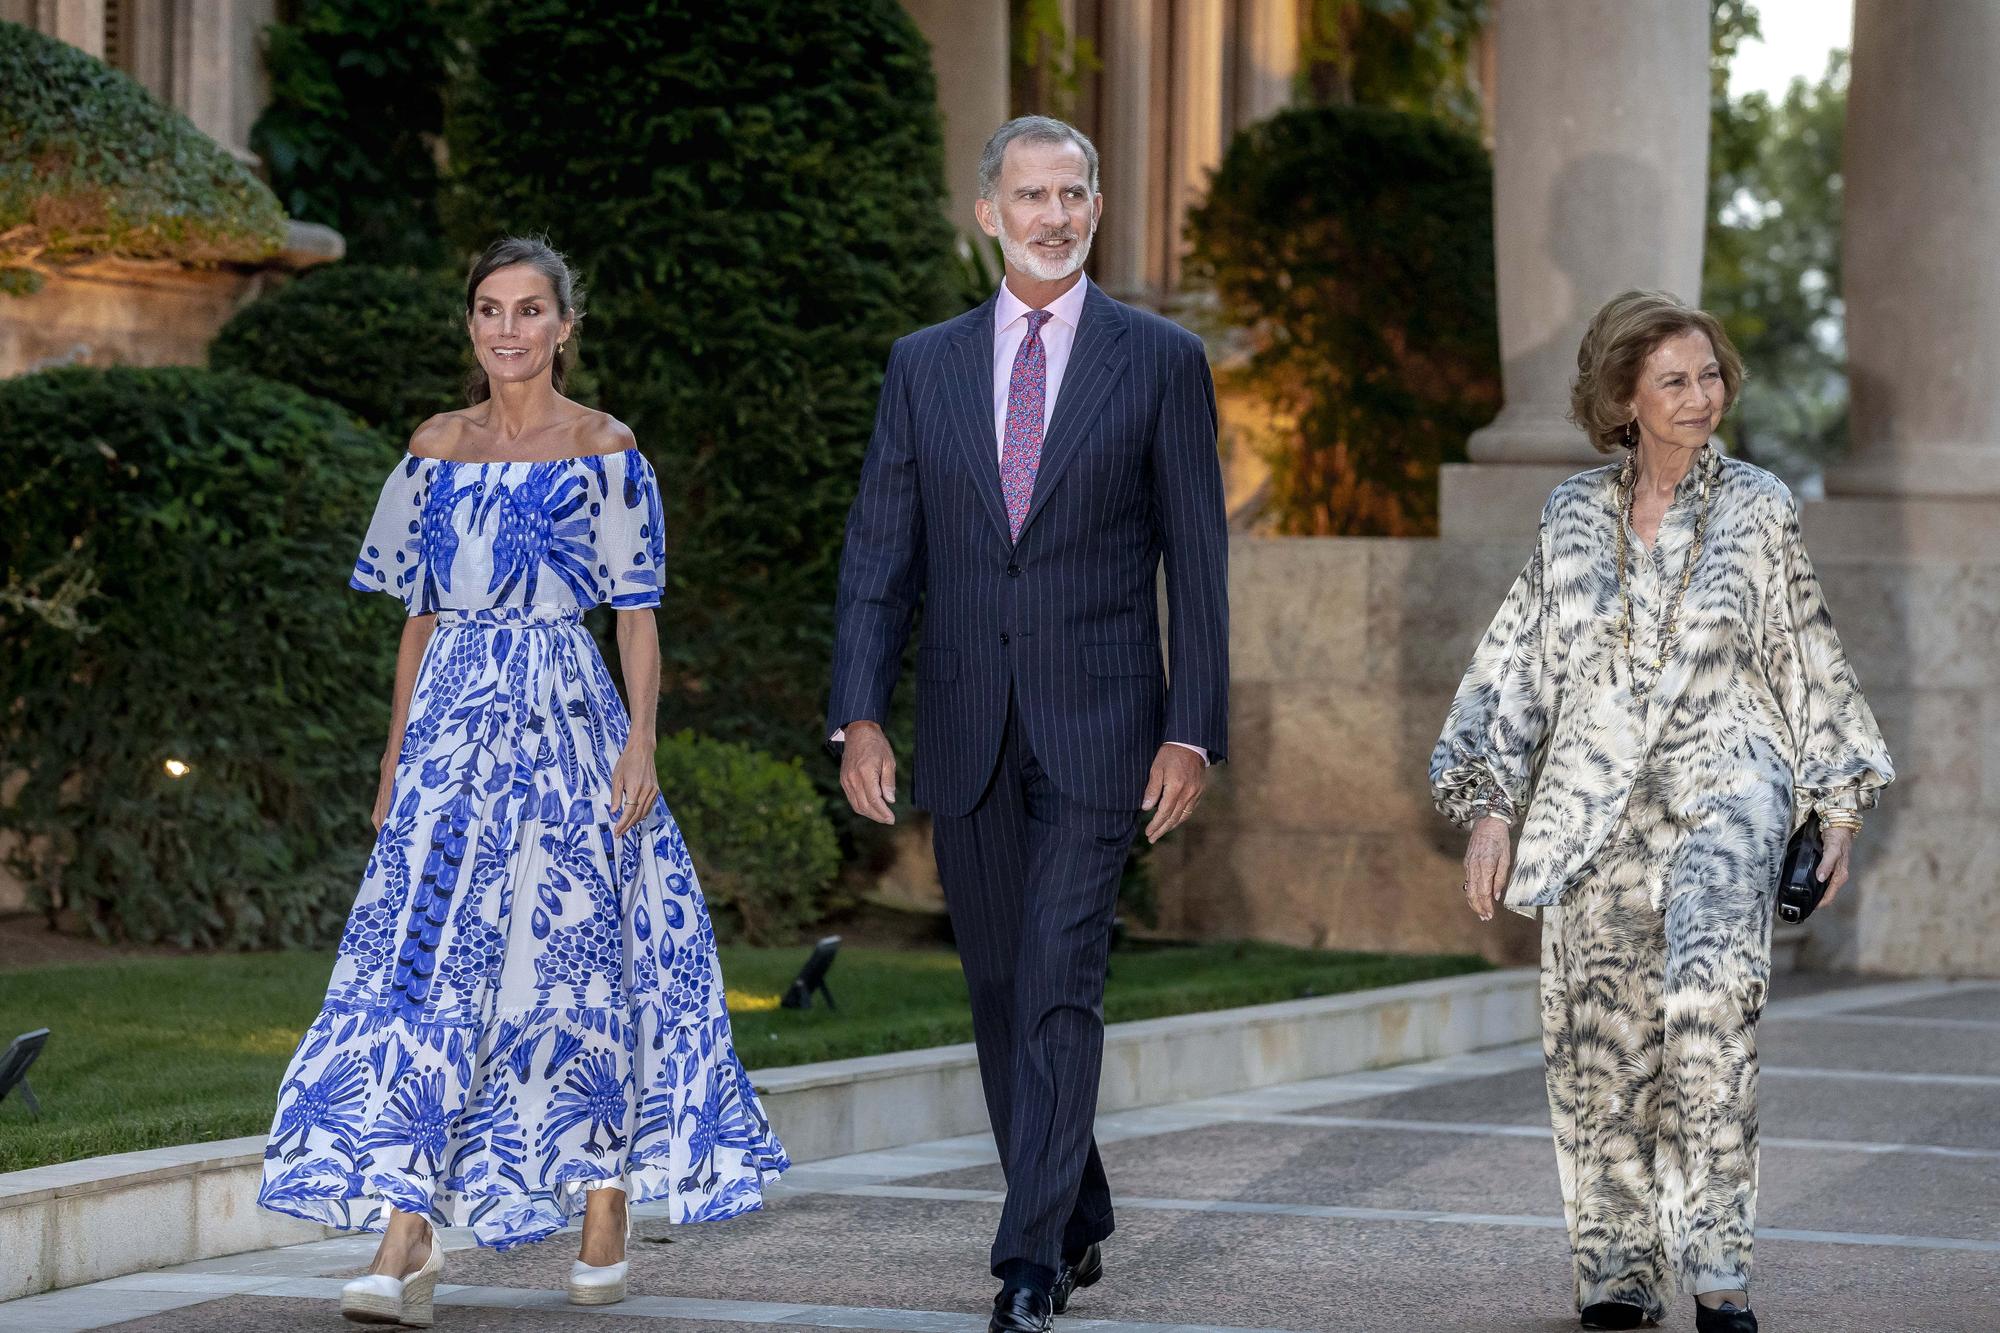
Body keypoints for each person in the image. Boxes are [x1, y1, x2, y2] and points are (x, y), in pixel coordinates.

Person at [258, 236, 787, 1326]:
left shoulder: (606, 447)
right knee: (423, 974)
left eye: (530, 310)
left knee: (578, 962)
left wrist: (640, 742)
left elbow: (635, 617)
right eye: (490, 310)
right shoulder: (433, 448)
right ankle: (404, 1237)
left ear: (563, 326)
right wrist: (397, 756)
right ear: (471, 325)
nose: (508, 329)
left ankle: (603, 1206)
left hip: (567, 723)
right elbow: (415, 620)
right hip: (453, 733)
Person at [827, 115, 1229, 1333]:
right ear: (987, 213)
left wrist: (1191, 729)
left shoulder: (1156, 358)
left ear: (1095, 208)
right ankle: (1078, 1206)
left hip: (1104, 724)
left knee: (1060, 974)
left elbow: (1196, 564)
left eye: (1073, 194)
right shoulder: (923, 364)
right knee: (1002, 986)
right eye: (1029, 195)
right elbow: (879, 552)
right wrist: (857, 711)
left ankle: (1025, 1258)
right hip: (963, 724)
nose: (1053, 215)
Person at [1430, 290, 1893, 1333]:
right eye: (1673, 381)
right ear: (1622, 400)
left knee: (1704, 1011)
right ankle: (1617, 1269)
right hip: (1592, 805)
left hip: (1727, 787)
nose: (1701, 397)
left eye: (1709, 375)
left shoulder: (1760, 504)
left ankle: (1717, 1269)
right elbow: (1515, 668)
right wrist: (1489, 806)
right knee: (1600, 1038)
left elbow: (1802, 648)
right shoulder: (1568, 515)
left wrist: (1837, 808)